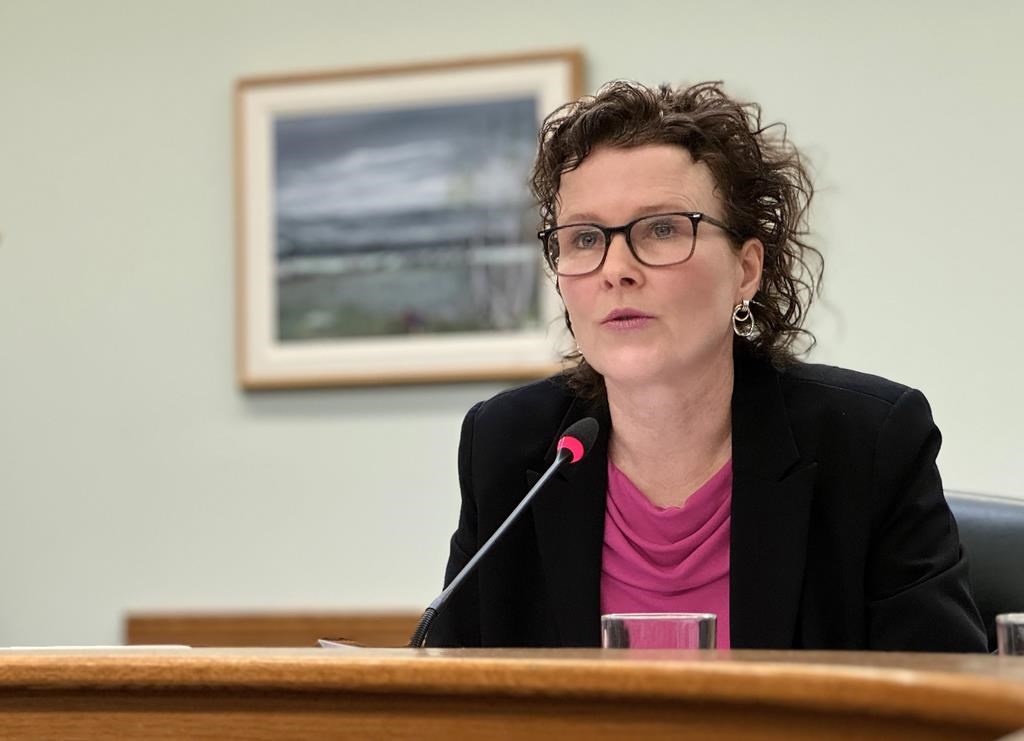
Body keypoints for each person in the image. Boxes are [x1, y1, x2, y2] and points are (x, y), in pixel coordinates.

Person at [426, 80, 986, 651]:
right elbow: (452, 697)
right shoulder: (509, 444)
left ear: (746, 270)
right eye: (585, 238)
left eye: (663, 228)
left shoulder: (867, 443)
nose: (615, 269)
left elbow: (945, 706)